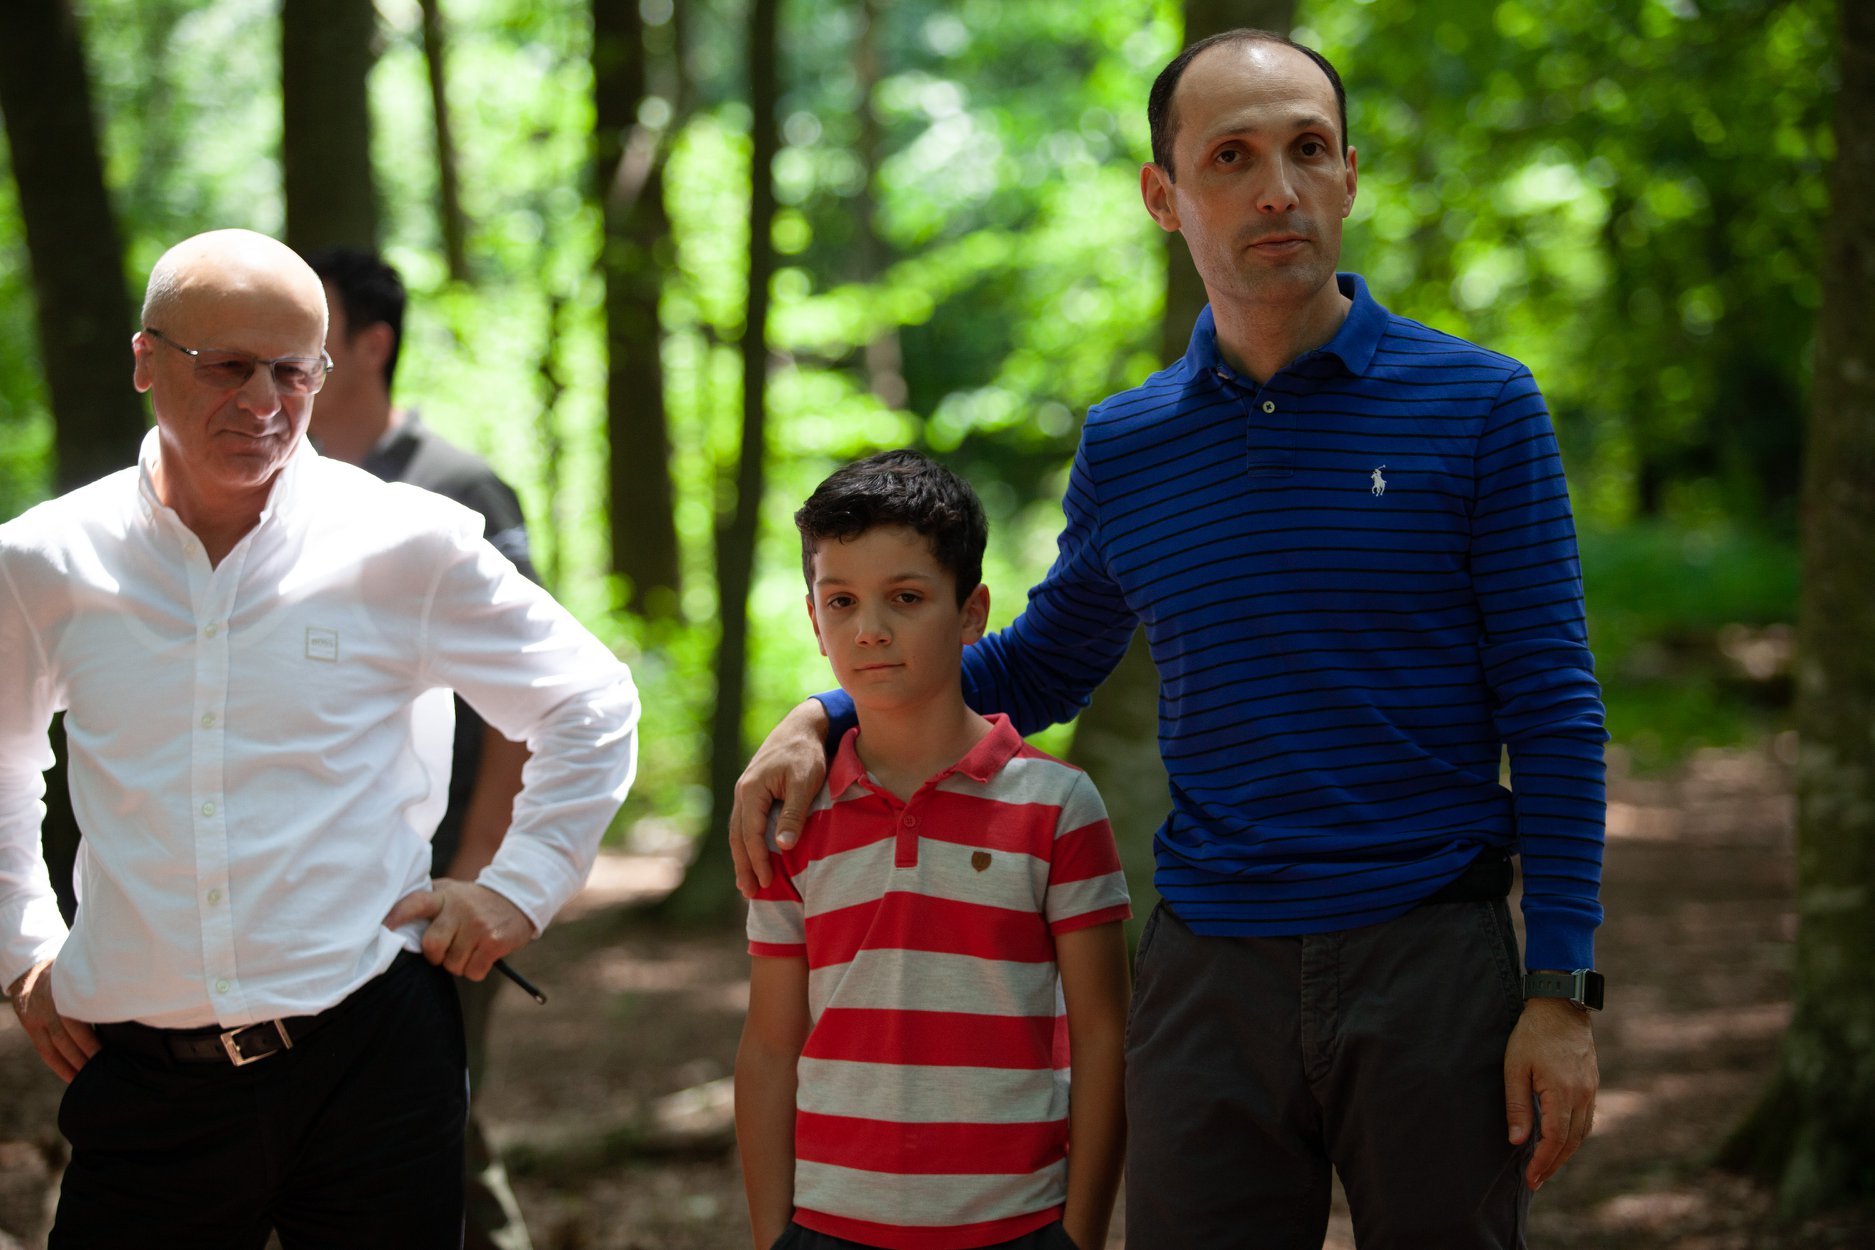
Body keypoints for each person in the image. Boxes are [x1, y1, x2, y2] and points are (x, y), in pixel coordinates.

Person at [729, 30, 1605, 1250]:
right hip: (1210, 972)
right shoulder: (1132, 443)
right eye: (1231, 157)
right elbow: (1037, 665)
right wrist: (823, 713)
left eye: (1308, 150)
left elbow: (1554, 707)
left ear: (1350, 174)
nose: (1277, 189)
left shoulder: (1481, 406)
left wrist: (1560, 988)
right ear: (1163, 194)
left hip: (1431, 954)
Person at [0, 228, 640, 1249]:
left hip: (372, 1061)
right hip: (145, 1083)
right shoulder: (44, 561)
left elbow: (590, 701)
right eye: (228, 367)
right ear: (145, 359)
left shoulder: (404, 541)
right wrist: (24, 945)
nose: (263, 403)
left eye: (294, 372)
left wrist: (520, 887)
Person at [734, 450, 1131, 1250]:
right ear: (813, 620)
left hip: (1017, 1223)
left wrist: (1079, 1234)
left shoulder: (1057, 807)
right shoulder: (794, 818)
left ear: (971, 612)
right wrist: (775, 1235)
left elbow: (1102, 1036)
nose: (870, 629)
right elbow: (771, 1044)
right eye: (840, 601)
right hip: (829, 1224)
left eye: (906, 598)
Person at [306, 246, 537, 1250]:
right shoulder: (274, 490)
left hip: (430, 892)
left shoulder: (457, 485)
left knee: (437, 1127)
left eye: (310, 330)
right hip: (309, 887)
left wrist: (480, 876)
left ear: (372, 344)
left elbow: (524, 703)